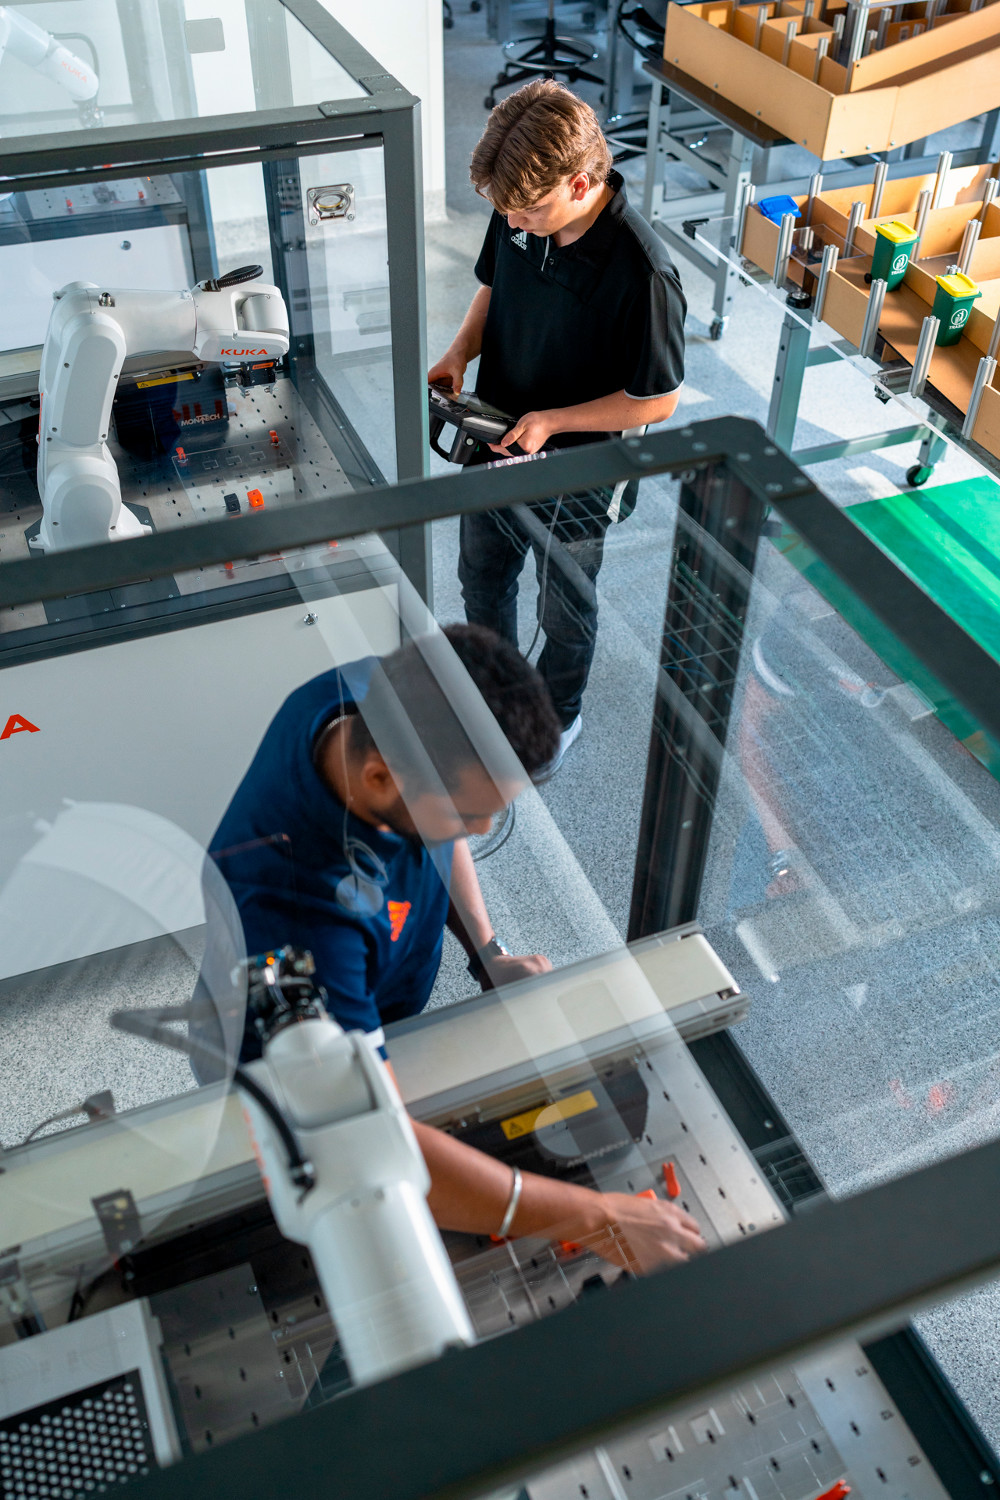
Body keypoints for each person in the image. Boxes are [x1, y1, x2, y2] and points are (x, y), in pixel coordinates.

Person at [194, 622, 704, 1272]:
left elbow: (439, 837)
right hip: (280, 1057)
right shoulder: (290, 913)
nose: (480, 833)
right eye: (468, 815)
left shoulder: (377, 699)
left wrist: (487, 949)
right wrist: (599, 1218)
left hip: (381, 999)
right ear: (380, 779)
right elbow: (368, 1145)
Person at [429, 80, 687, 776]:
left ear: (581, 182)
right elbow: (493, 284)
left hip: (577, 469)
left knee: (564, 607)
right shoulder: (521, 202)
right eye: (506, 210)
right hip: (496, 436)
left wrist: (555, 422)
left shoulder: (645, 273)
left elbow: (657, 399)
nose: (516, 219)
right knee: (483, 577)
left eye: (531, 209)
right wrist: (460, 352)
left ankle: (558, 718)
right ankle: (494, 699)